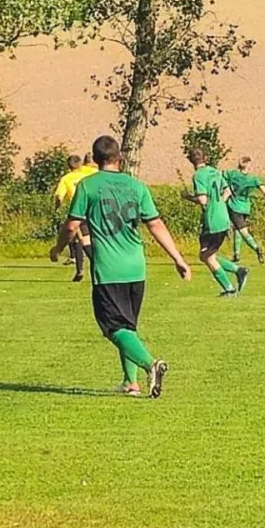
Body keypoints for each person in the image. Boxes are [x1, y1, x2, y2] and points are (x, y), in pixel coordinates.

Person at [65, 134, 191, 397]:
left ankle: (150, 365)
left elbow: (72, 225)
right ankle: (130, 382)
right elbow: (156, 224)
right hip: (136, 268)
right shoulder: (137, 187)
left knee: (113, 327)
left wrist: (57, 248)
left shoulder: (87, 186)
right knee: (128, 326)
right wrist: (178, 259)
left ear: (95, 159)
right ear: (119, 158)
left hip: (109, 269)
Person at [187, 147, 247, 296]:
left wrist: (187, 197)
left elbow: (203, 200)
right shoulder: (215, 172)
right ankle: (238, 271)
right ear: (205, 158)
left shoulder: (198, 175)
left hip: (212, 220)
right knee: (206, 255)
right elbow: (227, 191)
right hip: (223, 216)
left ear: (191, 160)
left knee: (206, 256)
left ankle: (229, 288)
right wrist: (219, 203)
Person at [49, 152, 96, 281]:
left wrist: (57, 208)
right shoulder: (90, 173)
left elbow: (59, 196)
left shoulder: (66, 178)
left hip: (78, 211)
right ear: (80, 164)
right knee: (80, 238)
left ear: (68, 166)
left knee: (80, 239)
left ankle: (89, 267)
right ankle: (80, 270)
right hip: (94, 209)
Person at [224, 156, 265, 264]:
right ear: (248, 165)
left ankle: (257, 248)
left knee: (242, 231)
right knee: (237, 229)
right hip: (245, 208)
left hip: (234, 207)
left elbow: (220, 176)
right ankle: (236, 254)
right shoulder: (253, 179)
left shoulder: (232, 174)